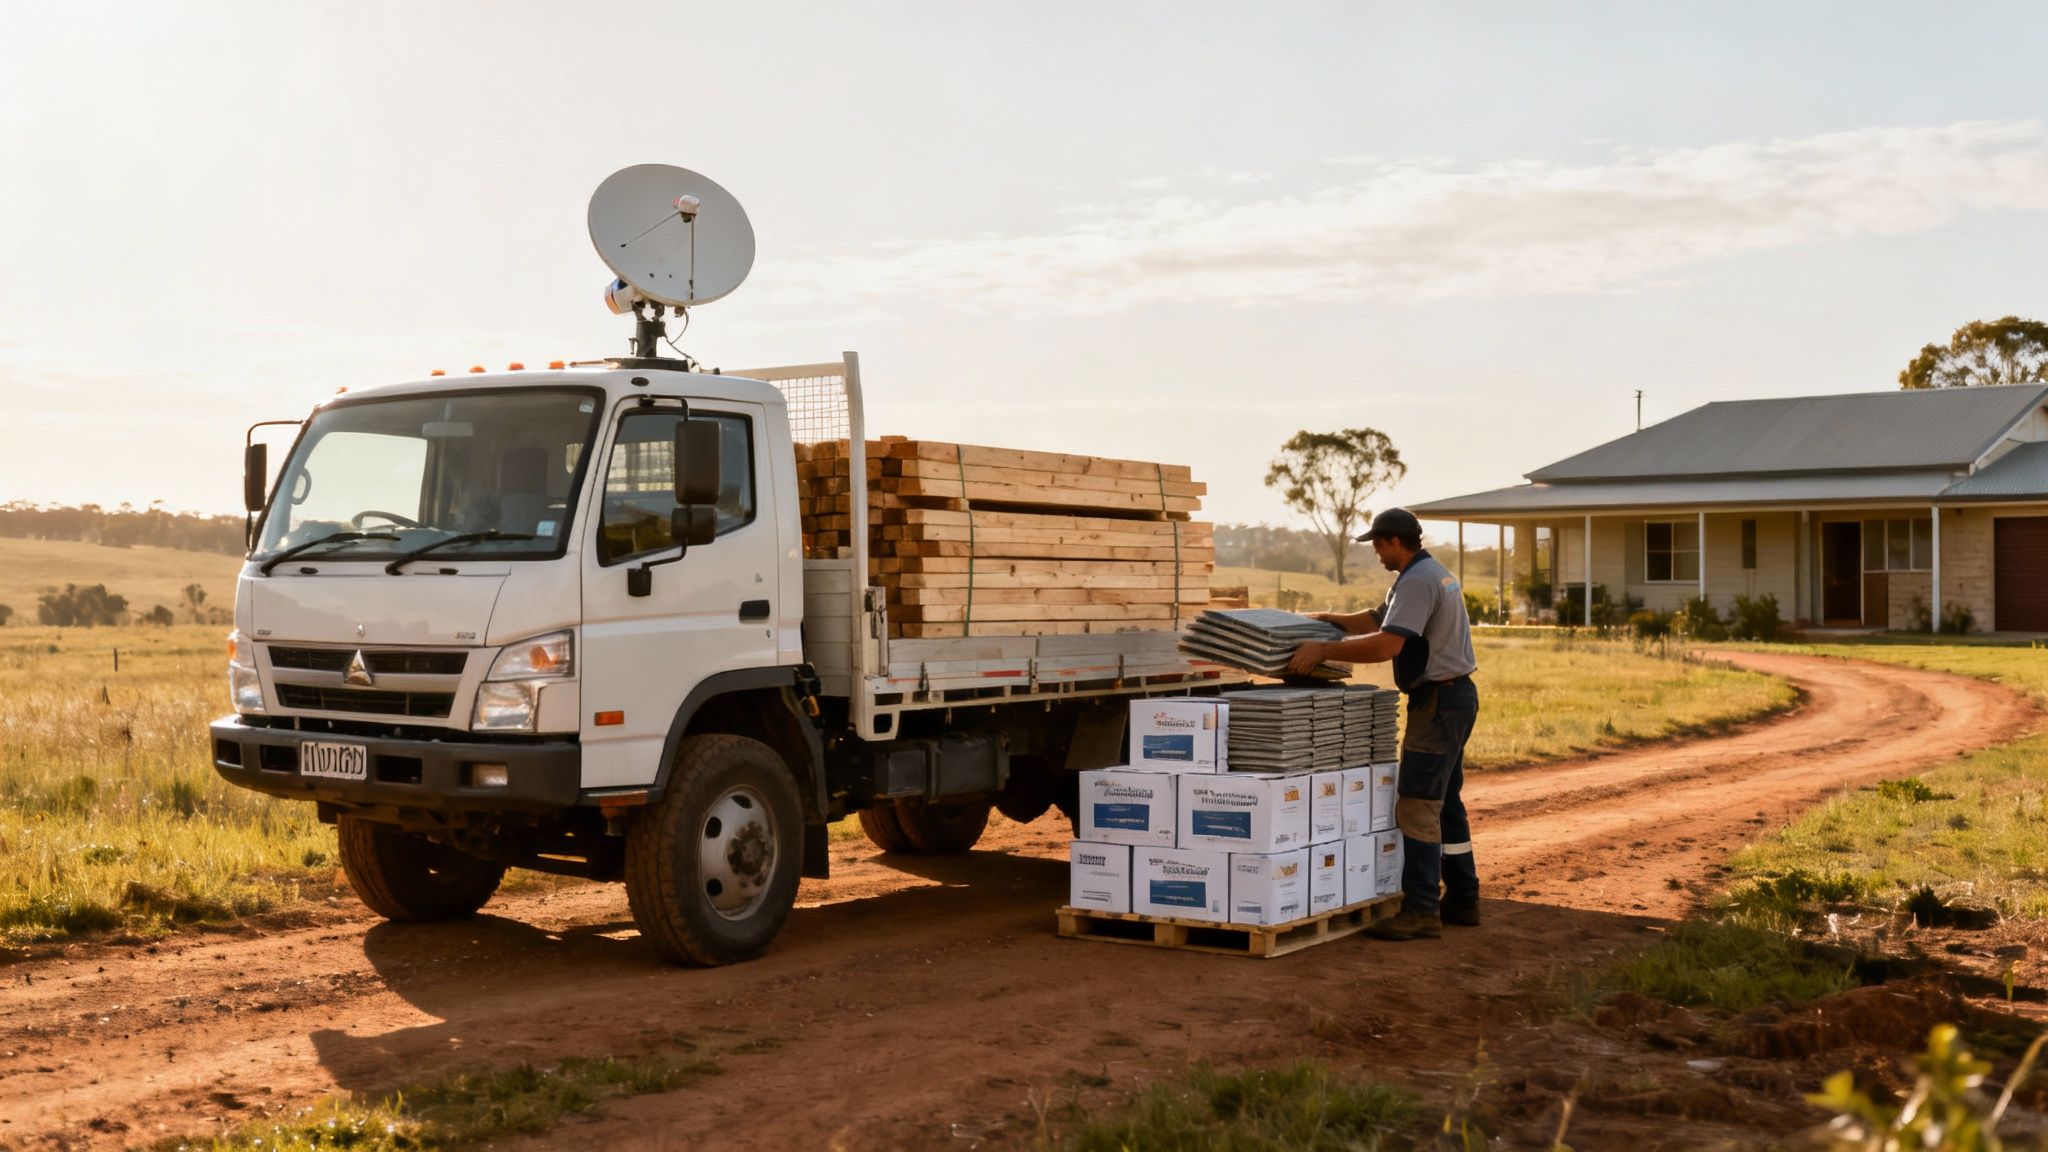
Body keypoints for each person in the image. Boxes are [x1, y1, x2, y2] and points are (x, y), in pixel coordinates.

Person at [1286, 507, 1479, 941]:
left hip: (1439, 703)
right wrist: (1329, 621)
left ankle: (1422, 910)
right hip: (1454, 698)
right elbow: (1378, 621)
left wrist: (1323, 651)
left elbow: (1388, 645)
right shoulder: (1427, 573)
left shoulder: (1417, 580)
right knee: (1445, 802)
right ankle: (1464, 899)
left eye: (1377, 544)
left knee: (1417, 803)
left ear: (1395, 541)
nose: (1375, 552)